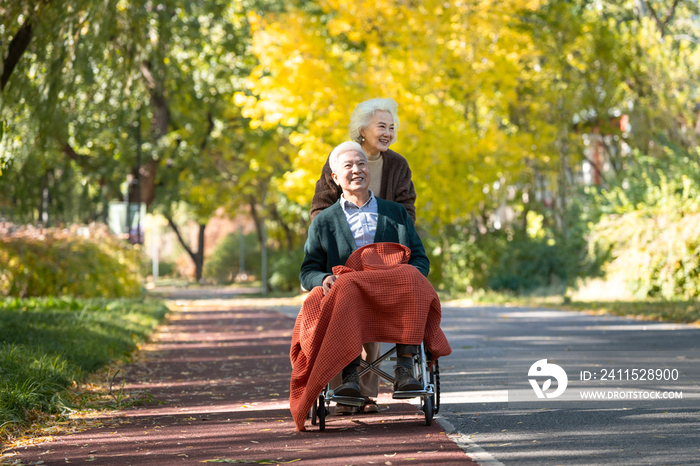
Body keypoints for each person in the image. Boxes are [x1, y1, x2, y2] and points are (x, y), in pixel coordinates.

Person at [309, 98, 416, 414]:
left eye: (392, 127)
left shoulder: (397, 165)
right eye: (381, 126)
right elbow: (319, 208)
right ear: (362, 129)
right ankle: (349, 389)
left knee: (397, 294)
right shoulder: (341, 159)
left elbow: (406, 210)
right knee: (347, 305)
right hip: (344, 253)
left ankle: (371, 387)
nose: (388, 132)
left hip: (386, 253)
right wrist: (338, 232)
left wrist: (390, 235)